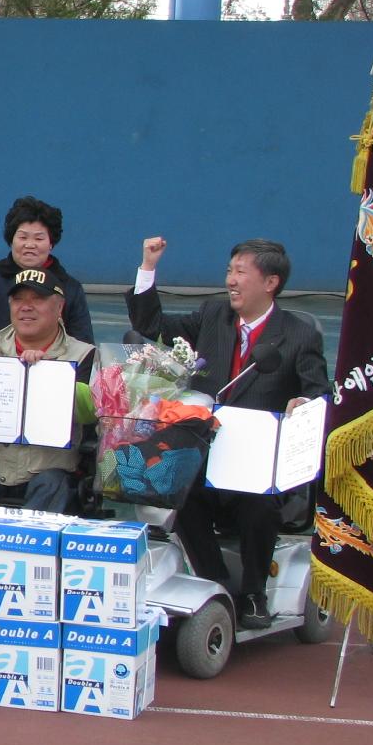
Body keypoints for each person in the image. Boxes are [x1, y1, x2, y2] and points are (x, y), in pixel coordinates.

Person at [126, 236, 328, 629]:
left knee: (258, 507)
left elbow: (318, 394)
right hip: (206, 457)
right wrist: (148, 268)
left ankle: (253, 594)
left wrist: (303, 406)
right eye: (229, 271)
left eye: (240, 272)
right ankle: (215, 583)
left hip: (258, 471)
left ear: (270, 282)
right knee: (176, 490)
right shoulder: (212, 315)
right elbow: (151, 326)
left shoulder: (299, 336)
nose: (231, 280)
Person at [0, 267, 96, 529]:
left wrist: (50, 374)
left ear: (59, 308)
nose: (26, 307)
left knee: (54, 485)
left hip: (48, 468)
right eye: (18, 300)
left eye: (37, 299)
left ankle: (22, 561)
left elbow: (89, 411)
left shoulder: (83, 354)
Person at [0, 193, 95, 345]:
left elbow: (83, 345)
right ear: (11, 240)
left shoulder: (69, 288)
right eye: (23, 237)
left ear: (51, 244)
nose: (30, 244)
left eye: (39, 238)